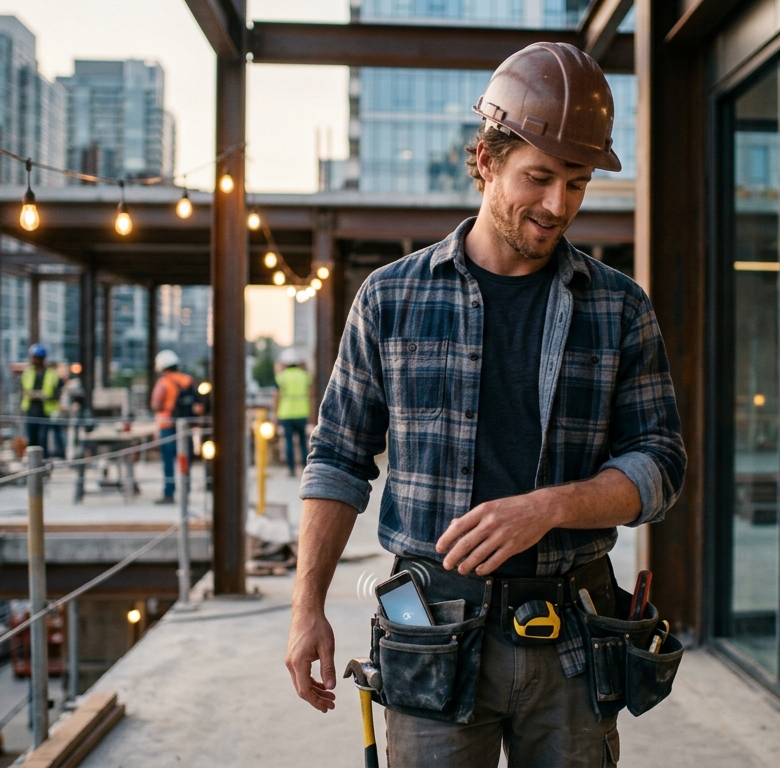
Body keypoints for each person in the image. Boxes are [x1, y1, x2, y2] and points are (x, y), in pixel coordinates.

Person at [286, 43, 686, 767]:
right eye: (538, 178)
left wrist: (550, 507)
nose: (557, 205)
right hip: (432, 629)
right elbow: (339, 459)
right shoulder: (391, 297)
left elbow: (660, 465)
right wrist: (305, 608)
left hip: (575, 632)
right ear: (486, 161)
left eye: (577, 183)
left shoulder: (620, 308)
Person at [150, 349, 198, 504]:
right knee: (185, 461)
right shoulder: (188, 380)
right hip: (185, 426)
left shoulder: (164, 382)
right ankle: (186, 492)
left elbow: (156, 404)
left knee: (168, 463)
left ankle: (169, 494)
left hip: (168, 425)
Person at [272, 349, 313, 477]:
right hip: (302, 412)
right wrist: (311, 413)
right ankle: (305, 469)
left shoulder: (281, 377)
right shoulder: (305, 376)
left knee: (288, 442)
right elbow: (311, 395)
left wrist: (275, 413)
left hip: (286, 413)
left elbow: (277, 396)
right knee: (302, 442)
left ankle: (291, 469)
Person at [20, 343, 63, 457]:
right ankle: (32, 464)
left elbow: (57, 392)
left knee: (43, 439)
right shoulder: (28, 372)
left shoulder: (52, 374)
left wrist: (44, 396)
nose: (34, 360)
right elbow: (24, 390)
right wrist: (33, 395)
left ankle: (43, 463)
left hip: (45, 412)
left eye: (37, 358)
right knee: (32, 439)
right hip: (31, 410)